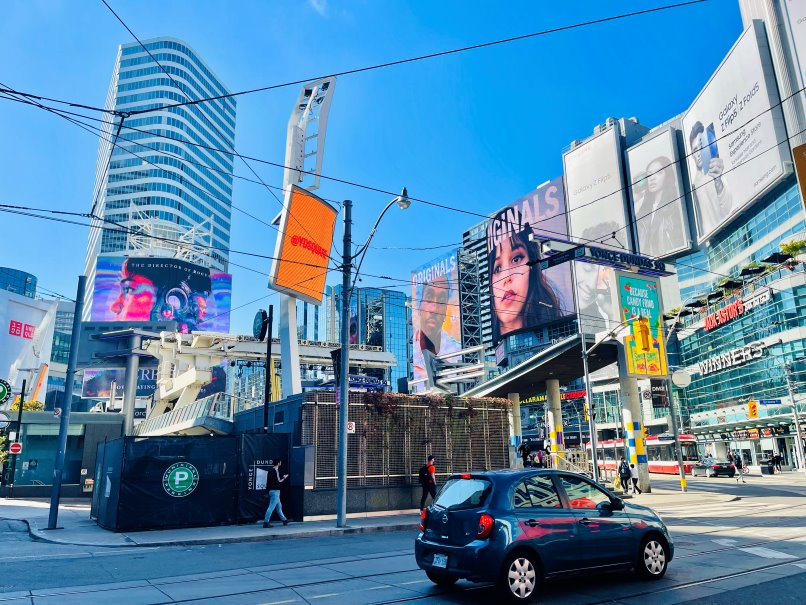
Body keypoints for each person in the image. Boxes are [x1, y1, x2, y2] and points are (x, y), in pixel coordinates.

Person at [487, 223, 562, 342]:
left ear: (532, 267)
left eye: (516, 259)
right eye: (497, 269)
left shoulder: (552, 334)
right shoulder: (494, 352)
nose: (507, 277)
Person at [412, 276, 462, 390]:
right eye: (429, 298)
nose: (434, 309)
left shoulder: (456, 350)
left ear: (445, 311)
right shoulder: (412, 350)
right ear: (420, 306)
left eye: (441, 301)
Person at [634, 155, 686, 256]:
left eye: (659, 173)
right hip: (648, 266)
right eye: (649, 175)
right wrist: (635, 199)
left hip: (672, 261)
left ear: (667, 175)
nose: (652, 178)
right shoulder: (643, 211)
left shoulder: (675, 205)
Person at [688, 121, 733, 238]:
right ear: (691, 154)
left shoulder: (718, 169)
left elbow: (728, 207)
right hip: (711, 242)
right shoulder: (692, 186)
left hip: (728, 232)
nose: (698, 153)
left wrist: (718, 183)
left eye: (700, 147)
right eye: (694, 150)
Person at [263, 460, 289, 528]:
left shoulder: (270, 471)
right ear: (278, 463)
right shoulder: (276, 471)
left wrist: (266, 491)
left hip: (272, 491)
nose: (281, 463)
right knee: (271, 507)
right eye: (280, 462)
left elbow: (267, 482)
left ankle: (284, 520)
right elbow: (279, 482)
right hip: (275, 492)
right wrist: (284, 478)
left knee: (279, 506)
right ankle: (266, 522)